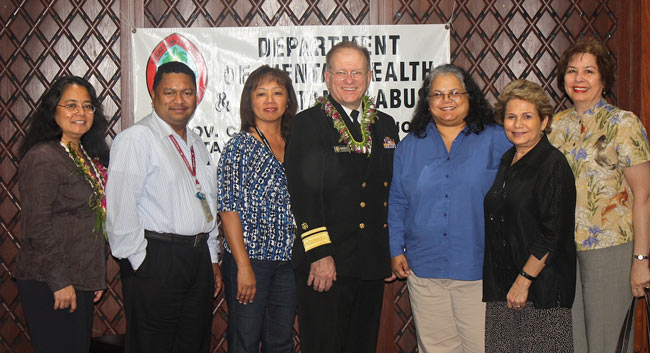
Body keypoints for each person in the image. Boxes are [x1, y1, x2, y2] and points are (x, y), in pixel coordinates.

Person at [285, 41, 399, 353]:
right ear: (326, 76)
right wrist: (320, 255)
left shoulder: (385, 124)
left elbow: (391, 192)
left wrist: (391, 250)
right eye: (341, 72)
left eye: (357, 72)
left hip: (370, 262)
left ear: (370, 76)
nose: (349, 80)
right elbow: (303, 194)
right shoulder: (309, 123)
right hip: (327, 262)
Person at [389, 63, 511, 353]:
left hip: (479, 268)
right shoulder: (410, 146)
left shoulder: (497, 139)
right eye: (438, 95)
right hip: (425, 268)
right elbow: (398, 201)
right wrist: (396, 249)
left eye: (455, 93)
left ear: (470, 97)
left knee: (482, 347)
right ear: (427, 102)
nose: (446, 101)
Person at [106, 61, 222, 353]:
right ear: (154, 95)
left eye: (186, 93)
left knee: (193, 343)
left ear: (196, 96)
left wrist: (211, 259)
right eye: (170, 92)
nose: (179, 100)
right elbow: (120, 208)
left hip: (197, 260)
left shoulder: (196, 144)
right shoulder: (136, 139)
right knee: (153, 345)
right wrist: (140, 261)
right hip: (156, 258)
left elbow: (206, 205)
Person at [548, 37, 650, 353]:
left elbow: (644, 195)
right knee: (571, 343)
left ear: (603, 79)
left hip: (610, 249)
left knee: (607, 343)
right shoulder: (554, 126)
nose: (579, 79)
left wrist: (641, 260)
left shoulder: (624, 123)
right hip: (562, 251)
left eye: (588, 71)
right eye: (572, 71)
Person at [15, 76, 109, 353]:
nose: (80, 113)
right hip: (51, 282)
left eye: (87, 106)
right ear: (53, 110)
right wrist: (61, 282)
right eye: (71, 105)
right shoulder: (44, 157)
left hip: (78, 278)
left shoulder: (86, 156)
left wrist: (93, 278)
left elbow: (90, 220)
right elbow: (37, 226)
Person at [482, 79, 576, 352]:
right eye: (511, 116)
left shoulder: (552, 164)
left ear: (544, 121)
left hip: (539, 294)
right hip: (503, 290)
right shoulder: (508, 159)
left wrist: (524, 281)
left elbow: (552, 233)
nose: (517, 124)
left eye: (527, 116)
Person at [217, 65, 297, 352]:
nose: (270, 100)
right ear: (249, 101)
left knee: (281, 342)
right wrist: (243, 267)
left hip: (287, 263)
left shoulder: (295, 144)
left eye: (277, 92)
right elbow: (228, 210)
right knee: (245, 342)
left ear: (288, 100)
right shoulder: (239, 147)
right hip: (250, 262)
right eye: (261, 93)